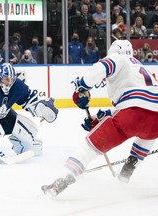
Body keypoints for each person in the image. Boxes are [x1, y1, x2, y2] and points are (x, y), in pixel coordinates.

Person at [41, 40, 158, 196]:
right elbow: (144, 103)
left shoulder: (119, 58)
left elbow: (102, 68)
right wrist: (100, 117)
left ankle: (61, 181)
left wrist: (82, 86)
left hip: (132, 114)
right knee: (147, 132)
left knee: (88, 148)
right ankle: (128, 169)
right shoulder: (142, 68)